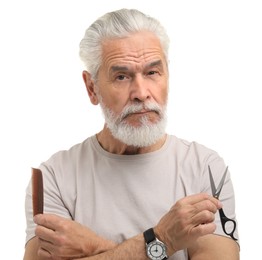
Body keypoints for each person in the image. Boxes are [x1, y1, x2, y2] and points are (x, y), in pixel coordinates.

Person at [23, 8, 240, 260]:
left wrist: (92, 247)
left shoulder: (205, 168)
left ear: (167, 75)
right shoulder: (54, 177)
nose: (141, 92)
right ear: (91, 88)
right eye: (122, 76)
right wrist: (164, 239)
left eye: (152, 73)